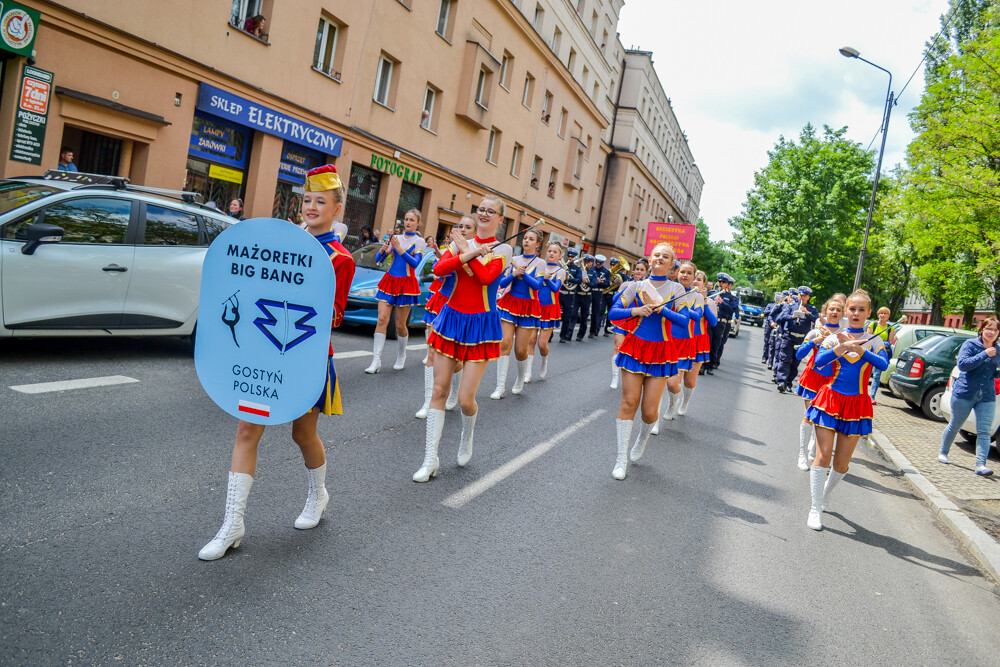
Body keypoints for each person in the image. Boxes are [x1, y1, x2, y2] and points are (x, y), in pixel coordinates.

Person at [198, 164, 356, 560]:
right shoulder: (283, 244)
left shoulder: (339, 258)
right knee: (246, 430)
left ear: (337, 209)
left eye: (321, 202)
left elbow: (335, 316)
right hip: (262, 354)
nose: (311, 207)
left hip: (305, 358)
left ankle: (318, 495)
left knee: (302, 435)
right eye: (307, 200)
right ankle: (232, 524)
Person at [414, 195, 513, 481]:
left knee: (465, 398)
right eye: (481, 209)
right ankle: (430, 458)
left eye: (491, 211)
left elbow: (486, 278)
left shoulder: (503, 248)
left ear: (500, 219)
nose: (484, 214)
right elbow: (439, 270)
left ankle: (467, 434)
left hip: (481, 324)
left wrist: (467, 250)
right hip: (451, 319)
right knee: (439, 390)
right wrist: (466, 250)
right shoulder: (462, 241)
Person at [804, 290, 889, 531]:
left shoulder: (874, 341)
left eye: (861, 310)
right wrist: (842, 347)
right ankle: (815, 508)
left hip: (857, 405)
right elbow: (819, 362)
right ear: (846, 311)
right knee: (823, 455)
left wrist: (862, 351)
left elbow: (883, 364)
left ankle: (825, 494)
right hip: (830, 400)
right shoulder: (835, 337)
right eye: (852, 309)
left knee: (841, 464)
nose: (856, 313)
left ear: (868, 313)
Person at [606, 243, 690, 480]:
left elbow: (684, 321)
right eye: (657, 255)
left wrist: (661, 310)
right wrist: (636, 311)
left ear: (671, 264)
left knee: (649, 412)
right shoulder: (636, 286)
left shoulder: (677, 289)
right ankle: (621, 459)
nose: (660, 258)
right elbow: (613, 313)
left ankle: (643, 437)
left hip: (661, 351)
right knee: (629, 402)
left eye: (666, 256)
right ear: (650, 260)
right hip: (635, 347)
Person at [415, 216, 475, 419]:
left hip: (462, 305)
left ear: (476, 232)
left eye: (468, 227)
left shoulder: (478, 250)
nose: (462, 229)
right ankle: (428, 402)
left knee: (457, 359)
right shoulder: (452, 248)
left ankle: (453, 391)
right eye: (460, 226)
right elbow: (439, 269)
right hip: (441, 301)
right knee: (432, 353)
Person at [365, 209, 426, 373]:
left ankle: (401, 354)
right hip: (389, 281)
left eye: (412, 220)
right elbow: (378, 260)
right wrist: (383, 249)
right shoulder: (396, 238)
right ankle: (376, 360)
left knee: (400, 325)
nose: (408, 222)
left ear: (418, 223)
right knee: (382, 319)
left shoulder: (419, 241)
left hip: (406, 284)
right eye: (406, 219)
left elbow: (415, 263)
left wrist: (399, 249)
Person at [938, 317, 1000, 475]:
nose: (991, 332)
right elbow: (963, 365)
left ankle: (980, 465)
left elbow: (994, 373)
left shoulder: (998, 350)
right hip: (965, 392)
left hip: (987, 395)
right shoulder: (970, 345)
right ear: (982, 329)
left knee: (984, 431)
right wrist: (984, 354)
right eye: (989, 328)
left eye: (995, 330)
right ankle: (943, 452)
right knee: (955, 425)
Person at [493, 229, 545, 398]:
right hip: (510, 304)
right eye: (525, 238)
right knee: (504, 343)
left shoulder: (540, 263)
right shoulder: (514, 259)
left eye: (531, 239)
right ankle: (500, 387)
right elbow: (502, 283)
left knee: (521, 350)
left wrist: (522, 273)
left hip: (528, 307)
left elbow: (536, 285)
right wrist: (514, 273)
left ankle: (520, 378)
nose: (526, 241)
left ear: (537, 244)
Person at [793, 297, 844, 470]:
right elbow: (799, 354)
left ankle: (815, 449)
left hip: (832, 381)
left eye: (838, 310)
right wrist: (815, 341)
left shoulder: (844, 336)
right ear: (825, 312)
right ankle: (802, 455)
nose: (834, 312)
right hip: (813, 377)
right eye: (831, 309)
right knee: (809, 415)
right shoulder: (815, 332)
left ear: (843, 314)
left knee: (824, 418)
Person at [663, 263, 716, 419]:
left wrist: (704, 301)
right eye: (682, 272)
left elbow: (711, 321)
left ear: (703, 283)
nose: (695, 282)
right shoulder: (674, 291)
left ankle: (684, 403)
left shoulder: (704, 300)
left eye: (698, 279)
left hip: (694, 342)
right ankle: (666, 408)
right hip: (670, 338)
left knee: (689, 381)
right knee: (668, 380)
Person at [609, 259, 648, 389]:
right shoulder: (626, 283)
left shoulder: (647, 286)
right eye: (637, 269)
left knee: (632, 351)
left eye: (641, 270)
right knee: (617, 346)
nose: (638, 272)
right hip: (623, 318)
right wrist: (625, 288)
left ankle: (631, 378)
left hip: (637, 321)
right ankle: (615, 377)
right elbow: (615, 299)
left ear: (646, 272)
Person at [773, 286, 819, 393]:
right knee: (785, 359)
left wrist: (807, 313)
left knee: (795, 362)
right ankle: (782, 382)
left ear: (808, 297)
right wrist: (792, 316)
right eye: (801, 295)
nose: (802, 297)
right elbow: (780, 318)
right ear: (798, 296)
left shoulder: (812, 309)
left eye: (805, 296)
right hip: (789, 337)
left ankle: (789, 383)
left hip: (801, 339)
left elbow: (817, 320)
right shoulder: (791, 306)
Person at [534, 242, 566, 380]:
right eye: (549, 251)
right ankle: (526, 372)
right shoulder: (539, 266)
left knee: (541, 344)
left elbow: (556, 288)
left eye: (555, 252)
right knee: (530, 341)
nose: (551, 254)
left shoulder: (560, 271)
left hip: (550, 308)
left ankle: (544, 359)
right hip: (534, 306)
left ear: (559, 256)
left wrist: (546, 279)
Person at [706, 274, 739, 374]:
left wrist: (722, 302)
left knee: (716, 345)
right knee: (707, 343)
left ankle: (711, 366)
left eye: (723, 282)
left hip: (721, 322)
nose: (721, 284)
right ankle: (703, 366)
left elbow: (732, 310)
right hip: (710, 321)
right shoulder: (712, 293)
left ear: (726, 284)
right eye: (719, 281)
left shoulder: (730, 297)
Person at [866, 307, 898, 404]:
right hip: (871, 352)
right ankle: (863, 394)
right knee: (866, 373)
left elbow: (890, 342)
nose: (883, 315)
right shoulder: (873, 325)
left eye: (885, 313)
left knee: (876, 375)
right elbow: (867, 339)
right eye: (881, 313)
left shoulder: (891, 328)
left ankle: (872, 397)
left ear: (888, 316)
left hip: (881, 353)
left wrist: (884, 343)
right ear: (878, 314)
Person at [559, 248, 582, 342]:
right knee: (555, 315)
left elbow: (579, 280)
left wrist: (569, 279)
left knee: (566, 317)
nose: (570, 258)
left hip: (570, 295)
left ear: (575, 258)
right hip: (561, 293)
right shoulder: (562, 267)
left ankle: (563, 336)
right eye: (569, 256)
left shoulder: (577, 269)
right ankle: (550, 335)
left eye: (572, 257)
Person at [589, 255, 611, 337]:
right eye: (597, 264)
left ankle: (592, 331)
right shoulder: (591, 269)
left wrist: (601, 282)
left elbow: (607, 284)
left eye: (600, 264)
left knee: (595, 313)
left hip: (598, 293)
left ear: (603, 263)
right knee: (585, 312)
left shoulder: (606, 272)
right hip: (590, 291)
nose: (598, 266)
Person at [603, 258, 624, 335]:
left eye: (614, 265)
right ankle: (596, 330)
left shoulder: (621, 275)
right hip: (605, 294)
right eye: (611, 265)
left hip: (614, 295)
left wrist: (621, 284)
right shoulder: (606, 272)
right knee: (600, 311)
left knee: (610, 312)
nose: (612, 266)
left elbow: (625, 285)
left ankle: (607, 330)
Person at [761, 293, 782, 363]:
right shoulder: (770, 305)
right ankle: (765, 357)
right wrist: (773, 309)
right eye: (776, 298)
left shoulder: (781, 307)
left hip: (776, 325)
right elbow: (766, 312)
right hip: (769, 325)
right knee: (767, 341)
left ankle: (772, 360)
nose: (777, 300)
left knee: (774, 344)